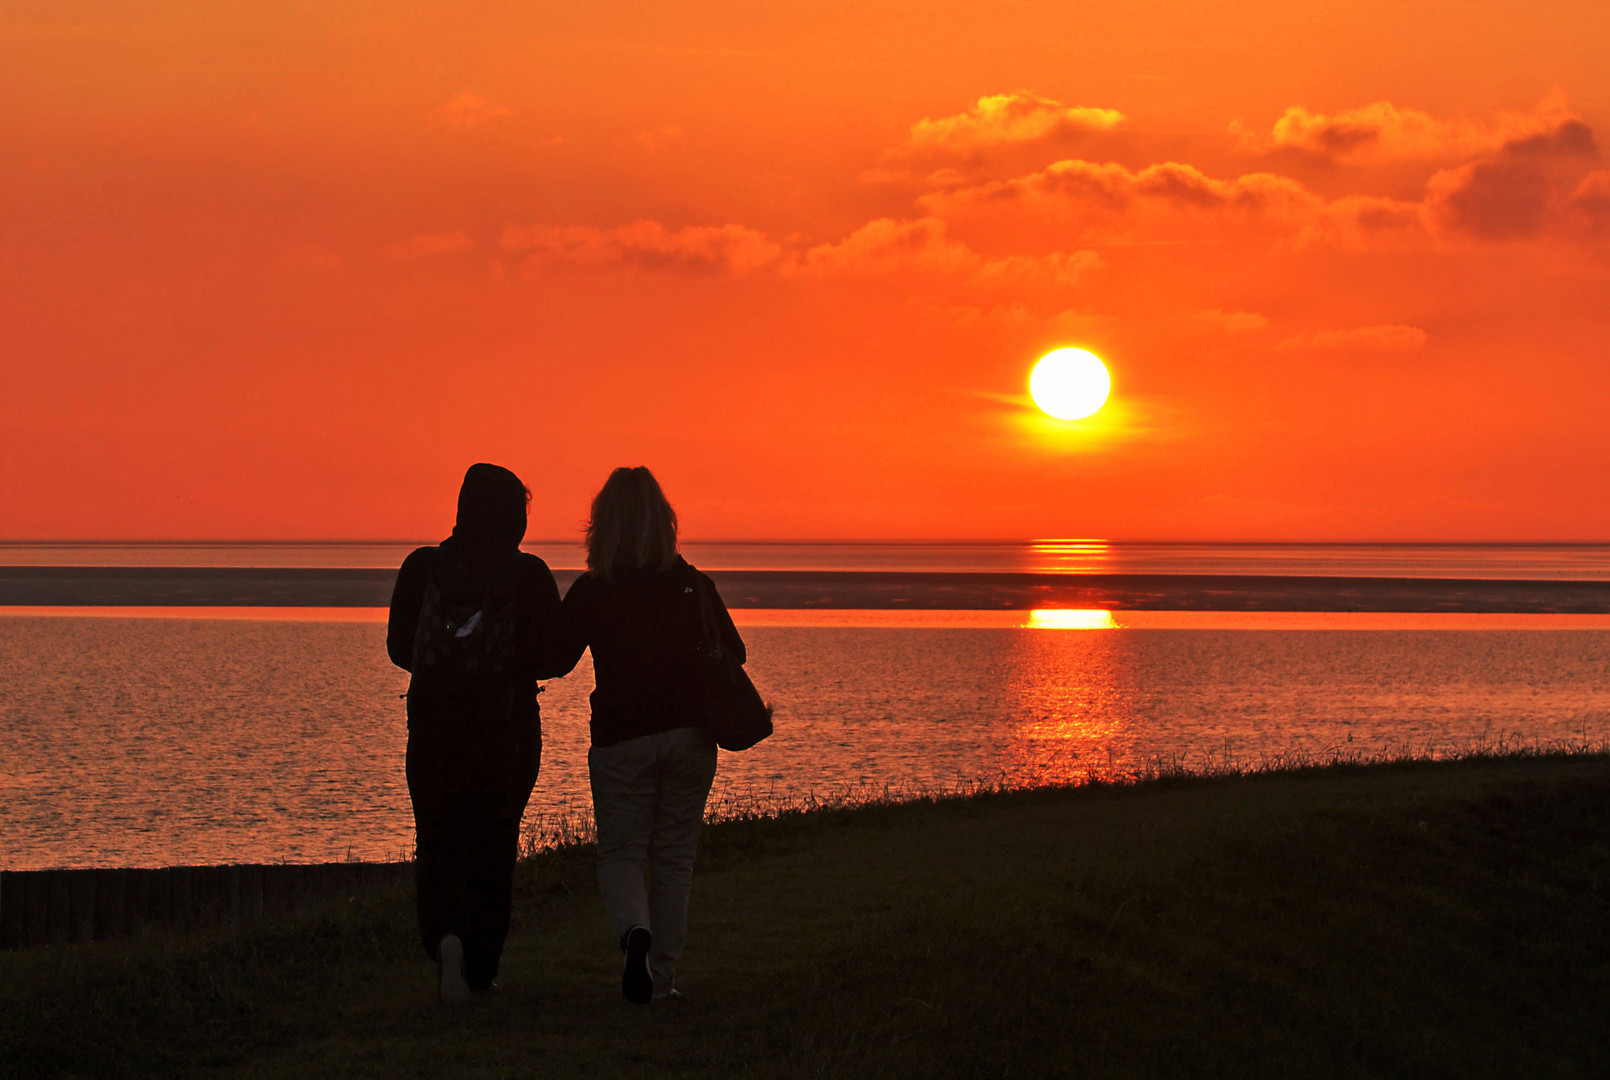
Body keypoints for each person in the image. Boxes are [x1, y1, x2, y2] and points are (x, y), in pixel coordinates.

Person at [545, 466, 744, 1004]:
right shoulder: (692, 583)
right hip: (689, 736)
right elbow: (736, 653)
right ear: (666, 523)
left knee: (621, 853)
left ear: (601, 526)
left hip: (621, 739)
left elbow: (555, 658)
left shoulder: (595, 589)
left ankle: (634, 931)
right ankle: (664, 978)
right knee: (674, 855)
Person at [387, 463, 561, 1002]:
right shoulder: (528, 574)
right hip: (505, 729)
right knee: (493, 845)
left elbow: (399, 648)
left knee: (437, 840)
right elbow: (551, 657)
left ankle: (444, 941)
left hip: (435, 727)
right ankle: (482, 968)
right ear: (514, 518)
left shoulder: (423, 567)